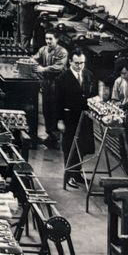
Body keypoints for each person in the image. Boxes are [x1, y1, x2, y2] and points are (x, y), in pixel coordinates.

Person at [55, 49, 98, 189]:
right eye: (77, 63)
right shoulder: (63, 78)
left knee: (83, 146)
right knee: (70, 147)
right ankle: (69, 176)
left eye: (82, 63)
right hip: (70, 118)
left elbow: (94, 94)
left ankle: (77, 173)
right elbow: (57, 102)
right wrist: (60, 120)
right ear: (70, 62)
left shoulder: (89, 75)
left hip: (85, 117)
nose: (79, 66)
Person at [34, 31, 68, 148]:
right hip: (46, 84)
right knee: (46, 110)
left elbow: (59, 67)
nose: (48, 41)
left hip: (57, 85)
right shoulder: (43, 50)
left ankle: (56, 138)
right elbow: (35, 58)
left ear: (56, 39)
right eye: (46, 38)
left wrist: (43, 69)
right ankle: (50, 134)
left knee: (55, 110)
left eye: (50, 39)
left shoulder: (62, 52)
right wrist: (29, 61)